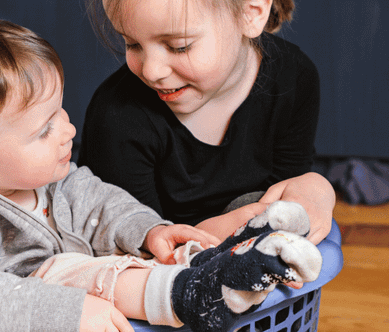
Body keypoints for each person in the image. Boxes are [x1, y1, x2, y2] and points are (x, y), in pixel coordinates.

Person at [0, 14, 322, 332]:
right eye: (43, 130)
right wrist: (66, 309)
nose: (68, 131)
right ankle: (192, 294)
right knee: (64, 273)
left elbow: (103, 205)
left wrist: (150, 231)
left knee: (148, 256)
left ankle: (233, 258)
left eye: (59, 112)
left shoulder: (47, 176)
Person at [81, 0, 336, 245]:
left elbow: (287, 191)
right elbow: (131, 245)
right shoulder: (116, 116)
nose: (151, 71)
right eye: (132, 44)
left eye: (179, 47)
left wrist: (318, 189)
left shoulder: (294, 77)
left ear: (252, 13)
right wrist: (220, 232)